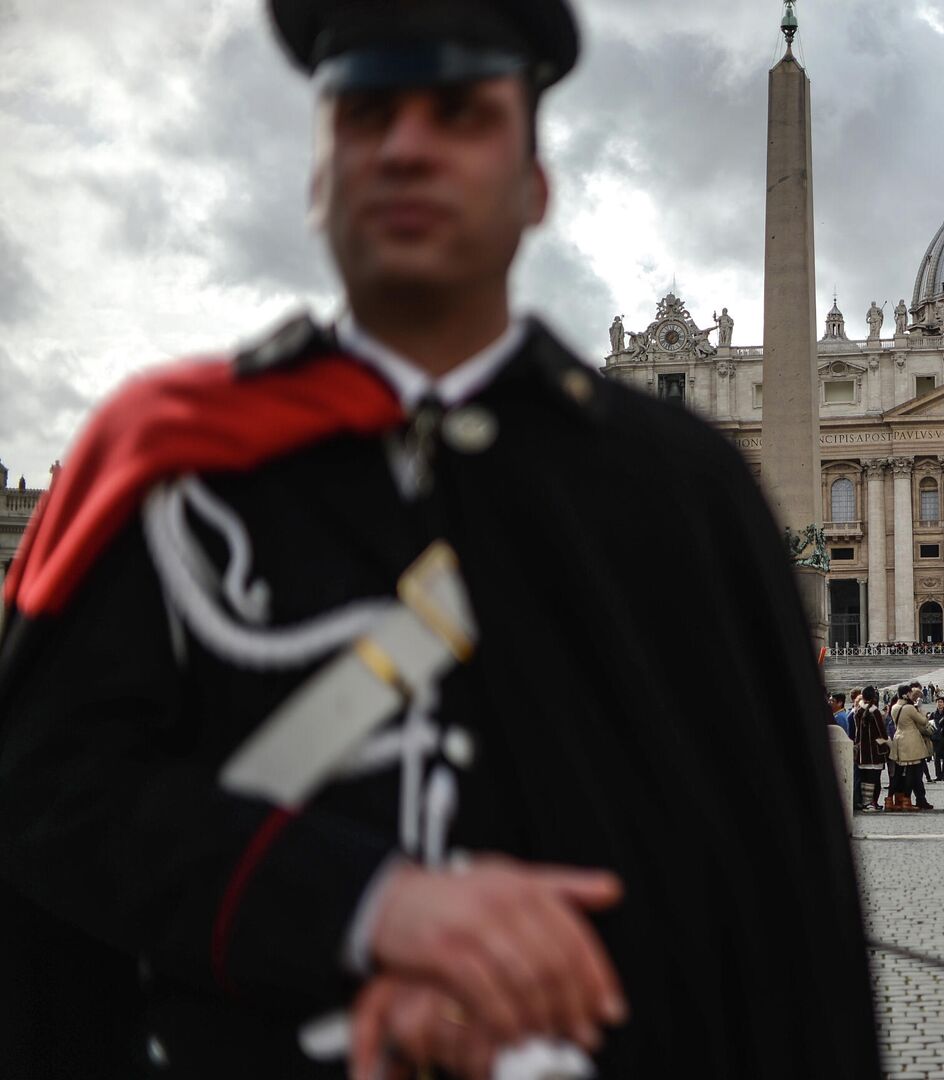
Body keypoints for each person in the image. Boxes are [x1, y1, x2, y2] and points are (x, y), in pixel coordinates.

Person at [0, 2, 881, 1076]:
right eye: (367, 115)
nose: (409, 146)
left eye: (460, 114)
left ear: (537, 183)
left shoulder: (685, 497)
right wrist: (359, 908)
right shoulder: (178, 473)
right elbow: (44, 798)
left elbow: (787, 907)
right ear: (319, 171)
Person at [887, 685, 936, 811]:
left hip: (898, 739)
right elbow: (923, 721)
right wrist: (920, 709)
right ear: (906, 694)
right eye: (909, 693)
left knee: (898, 773)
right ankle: (906, 801)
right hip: (911, 741)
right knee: (911, 772)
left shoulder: (894, 707)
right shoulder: (909, 708)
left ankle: (890, 800)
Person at [852, 687, 890, 814]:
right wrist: (886, 740)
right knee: (874, 778)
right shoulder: (875, 712)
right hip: (874, 750)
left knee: (864, 778)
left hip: (862, 751)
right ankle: (870, 803)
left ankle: (865, 802)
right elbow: (882, 731)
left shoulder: (857, 711)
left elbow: (857, 732)